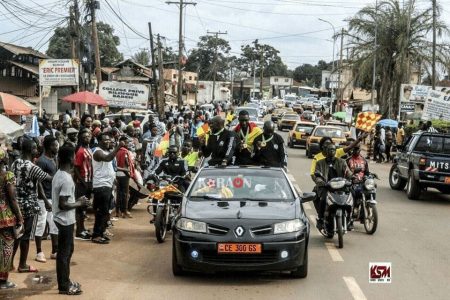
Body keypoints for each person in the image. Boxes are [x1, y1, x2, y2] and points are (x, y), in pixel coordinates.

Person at [52, 145, 90, 295]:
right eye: (74, 156)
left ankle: (65, 281)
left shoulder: (59, 174)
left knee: (66, 252)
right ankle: (64, 286)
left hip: (63, 220)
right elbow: (63, 203)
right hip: (64, 221)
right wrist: (80, 203)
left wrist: (77, 201)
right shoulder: (66, 179)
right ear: (70, 159)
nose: (76, 159)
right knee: (64, 253)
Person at [11, 139, 51, 273]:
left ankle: (10, 263)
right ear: (31, 150)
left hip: (16, 205)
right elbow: (49, 178)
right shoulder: (33, 167)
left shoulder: (15, 163)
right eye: (35, 148)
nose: (37, 150)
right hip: (30, 205)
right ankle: (22, 265)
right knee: (26, 237)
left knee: (16, 235)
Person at [91, 133, 123, 244]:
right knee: (101, 212)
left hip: (107, 185)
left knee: (105, 211)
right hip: (101, 186)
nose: (108, 142)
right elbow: (108, 159)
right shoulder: (98, 152)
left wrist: (113, 179)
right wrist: (118, 147)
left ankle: (102, 232)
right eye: (105, 140)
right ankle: (96, 235)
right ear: (99, 141)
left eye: (109, 140)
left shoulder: (106, 151)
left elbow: (108, 167)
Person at [314, 144, 352, 230]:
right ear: (325, 152)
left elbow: (348, 172)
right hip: (327, 186)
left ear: (335, 151)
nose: (331, 151)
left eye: (333, 150)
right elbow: (317, 176)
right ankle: (320, 219)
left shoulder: (342, 162)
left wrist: (352, 177)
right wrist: (321, 182)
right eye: (329, 149)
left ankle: (350, 219)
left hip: (341, 186)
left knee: (351, 195)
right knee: (323, 199)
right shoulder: (320, 163)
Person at [0, 149, 23, 289]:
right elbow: (12, 198)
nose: (8, 158)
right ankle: (2, 280)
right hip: (5, 215)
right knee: (7, 246)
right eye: (6, 156)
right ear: (2, 160)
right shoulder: (7, 175)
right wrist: (20, 218)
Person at [35, 136, 59, 263]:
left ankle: (55, 250)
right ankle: (39, 252)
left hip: (53, 197)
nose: (57, 147)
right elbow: (38, 183)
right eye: (55, 145)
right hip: (43, 198)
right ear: (50, 146)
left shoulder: (54, 159)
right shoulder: (41, 161)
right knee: (41, 224)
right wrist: (45, 200)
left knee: (54, 224)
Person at [73, 130, 93, 241]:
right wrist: (82, 181)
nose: (87, 138)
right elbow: (76, 167)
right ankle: (79, 231)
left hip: (89, 181)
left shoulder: (89, 149)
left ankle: (83, 228)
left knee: (84, 207)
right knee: (80, 208)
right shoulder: (80, 151)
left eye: (88, 136)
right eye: (85, 137)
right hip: (83, 182)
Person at [115, 136, 135, 219]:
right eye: (126, 142)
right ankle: (125, 211)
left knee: (118, 194)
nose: (127, 144)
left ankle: (117, 211)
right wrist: (129, 174)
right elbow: (126, 164)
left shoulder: (116, 150)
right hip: (124, 174)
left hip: (117, 174)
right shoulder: (125, 152)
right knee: (125, 194)